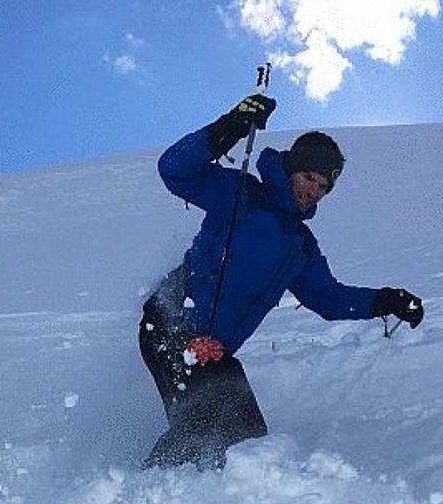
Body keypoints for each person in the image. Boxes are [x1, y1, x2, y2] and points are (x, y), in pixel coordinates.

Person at [140, 94, 425, 470]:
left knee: (249, 444)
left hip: (215, 353)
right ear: (291, 168)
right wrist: (229, 128)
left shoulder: (299, 247)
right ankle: (135, 500)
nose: (313, 191)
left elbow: (327, 297)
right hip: (171, 321)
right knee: (200, 426)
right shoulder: (241, 194)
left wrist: (385, 301)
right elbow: (174, 169)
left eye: (323, 186)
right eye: (308, 177)